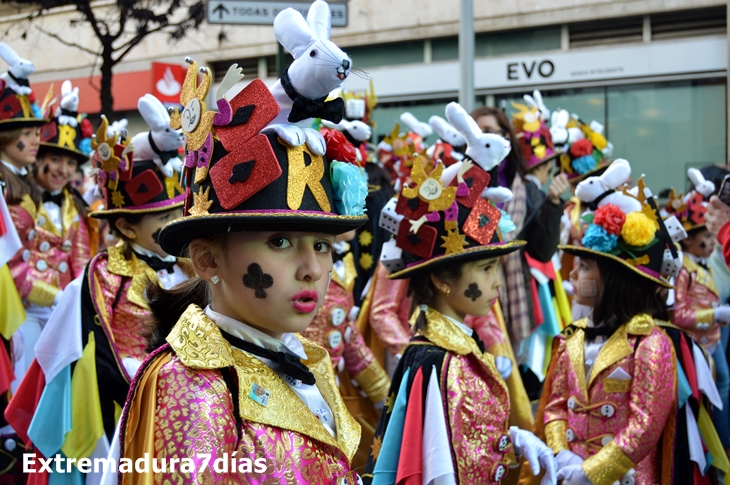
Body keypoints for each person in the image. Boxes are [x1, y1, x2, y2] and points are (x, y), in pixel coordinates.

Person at [114, 62, 369, 484]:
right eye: (280, 242)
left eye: (322, 246)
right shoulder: (195, 389)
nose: (312, 270)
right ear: (209, 261)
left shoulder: (302, 354)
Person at [4, 113, 190, 483]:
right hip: (123, 404)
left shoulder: (194, 268)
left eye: (176, 216)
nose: (172, 228)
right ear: (124, 226)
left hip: (190, 405)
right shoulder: (98, 279)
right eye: (160, 220)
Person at [362, 152, 556, 484]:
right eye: (485, 268)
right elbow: (441, 464)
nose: (497, 282)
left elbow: (467, 435)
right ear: (441, 280)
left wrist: (510, 440)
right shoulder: (435, 362)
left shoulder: (453, 350)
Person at [535, 170, 727, 484]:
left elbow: (645, 426)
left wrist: (592, 472)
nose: (572, 274)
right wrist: (561, 454)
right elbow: (555, 406)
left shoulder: (651, 343)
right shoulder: (572, 337)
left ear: (614, 281)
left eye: (584, 268)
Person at [470, 105, 566, 357]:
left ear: (505, 137)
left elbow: (542, 251)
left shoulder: (521, 186)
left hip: (509, 294)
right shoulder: (456, 182)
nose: (483, 137)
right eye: (476, 130)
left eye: (489, 130)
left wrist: (553, 204)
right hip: (467, 293)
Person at [300, 229, 390, 469]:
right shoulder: (307, 268)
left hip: (332, 391)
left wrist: (383, 391)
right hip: (299, 390)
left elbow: (348, 337)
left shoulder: (344, 261)